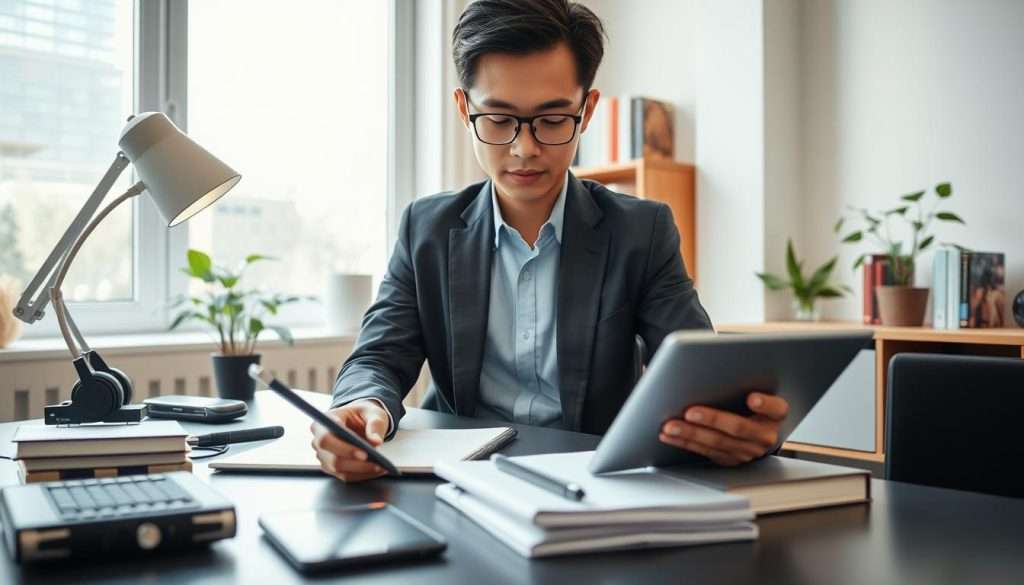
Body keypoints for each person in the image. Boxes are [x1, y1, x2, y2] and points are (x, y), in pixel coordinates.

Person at [313, 0, 789, 482]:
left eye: (552, 120)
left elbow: (696, 373)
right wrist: (360, 405)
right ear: (464, 109)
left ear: (587, 112)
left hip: (594, 481)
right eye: (498, 119)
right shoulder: (426, 228)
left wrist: (743, 423)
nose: (524, 149)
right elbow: (378, 356)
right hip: (460, 477)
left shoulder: (640, 232)